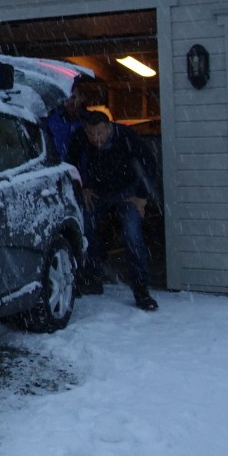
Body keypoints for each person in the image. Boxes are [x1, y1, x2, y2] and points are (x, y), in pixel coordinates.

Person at [66, 109, 161, 311]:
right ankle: (92, 276)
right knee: (84, 227)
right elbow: (70, 164)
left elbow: (149, 163)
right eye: (91, 134)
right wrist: (82, 188)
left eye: (99, 133)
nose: (95, 139)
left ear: (109, 129)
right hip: (97, 191)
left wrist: (142, 197)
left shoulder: (125, 136)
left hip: (126, 192)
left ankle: (141, 290)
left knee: (132, 235)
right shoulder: (80, 138)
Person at [43, 76, 106, 162]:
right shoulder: (52, 119)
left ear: (82, 98)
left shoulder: (91, 120)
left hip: (85, 171)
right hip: (60, 169)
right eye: (66, 98)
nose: (70, 102)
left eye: (73, 97)